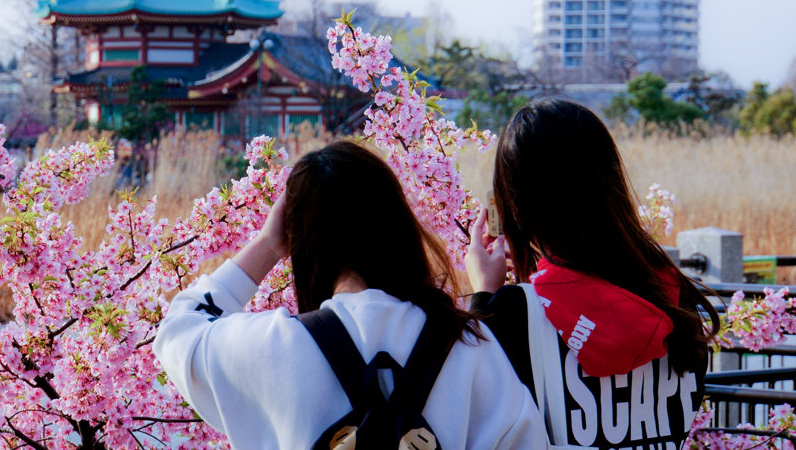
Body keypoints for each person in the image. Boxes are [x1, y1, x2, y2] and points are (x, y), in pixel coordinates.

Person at [154, 140, 547, 450]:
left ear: (302, 243)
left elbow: (179, 329)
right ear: (399, 227)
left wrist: (267, 246)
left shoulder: (272, 346)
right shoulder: (468, 346)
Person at [465, 99, 719, 450]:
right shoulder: (677, 297)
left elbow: (468, 403)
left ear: (515, 207)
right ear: (611, 181)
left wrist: (484, 295)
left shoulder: (515, 312)